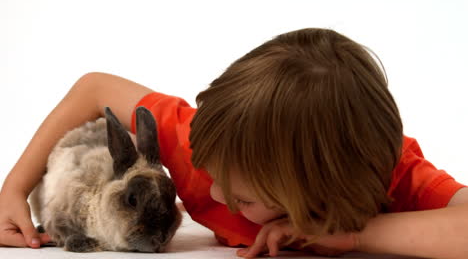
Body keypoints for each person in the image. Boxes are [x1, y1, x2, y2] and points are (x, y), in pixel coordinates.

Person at [0, 28, 467, 258]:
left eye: (241, 197)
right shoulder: (209, 147)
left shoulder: (393, 180)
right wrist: (14, 190)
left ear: (319, 192)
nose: (214, 192)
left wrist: (352, 234)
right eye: (211, 172)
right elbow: (94, 87)